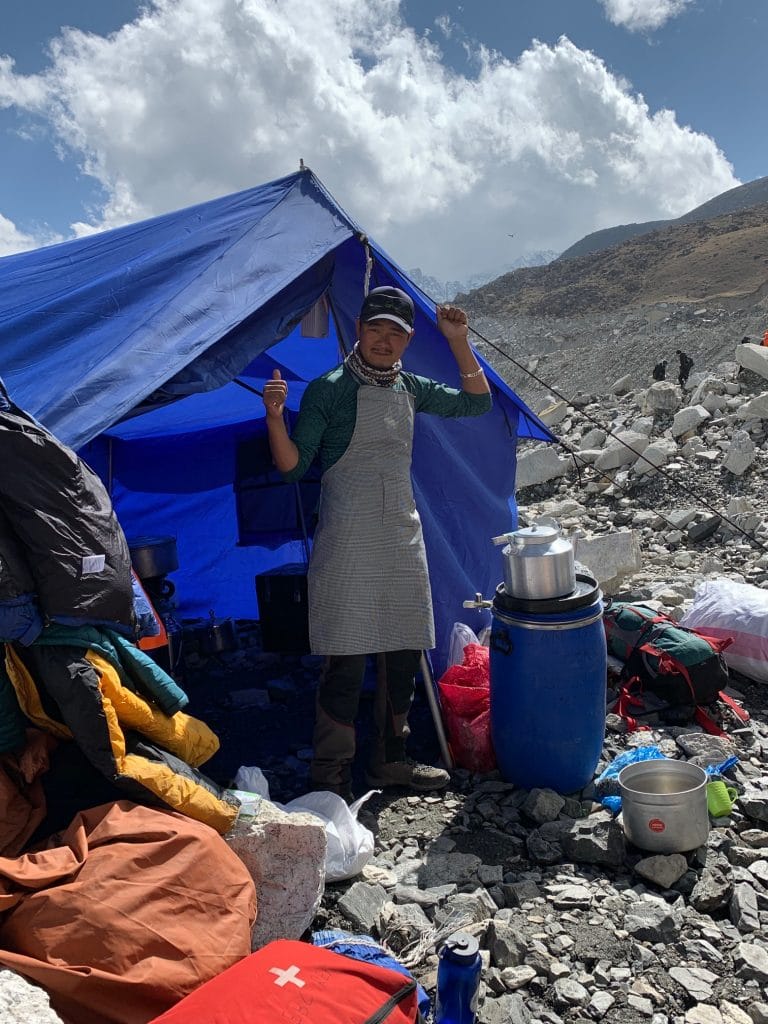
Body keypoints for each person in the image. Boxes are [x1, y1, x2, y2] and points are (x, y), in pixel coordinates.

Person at [263, 286, 492, 799]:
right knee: (344, 660)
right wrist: (276, 418)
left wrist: (458, 341)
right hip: (347, 538)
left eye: (395, 332)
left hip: (399, 536)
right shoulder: (331, 388)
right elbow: (292, 468)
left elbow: (478, 404)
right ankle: (330, 777)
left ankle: (390, 762)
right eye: (374, 329)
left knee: (403, 652)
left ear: (408, 339)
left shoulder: (410, 387)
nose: (383, 341)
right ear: (360, 330)